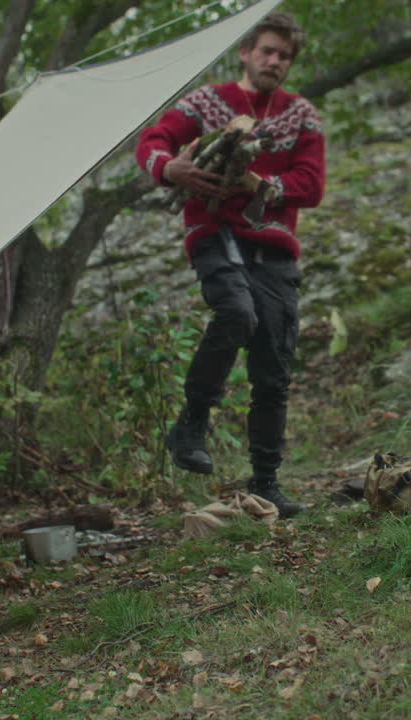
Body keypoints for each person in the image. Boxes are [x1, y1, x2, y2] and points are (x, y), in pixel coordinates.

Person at [134, 11, 324, 518]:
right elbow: (151, 140)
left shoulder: (302, 115)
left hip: (275, 246)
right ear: (245, 51)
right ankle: (191, 424)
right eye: (267, 51)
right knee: (237, 312)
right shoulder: (207, 101)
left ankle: (266, 483)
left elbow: (312, 185)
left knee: (273, 368)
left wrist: (260, 186)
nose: (275, 62)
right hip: (214, 231)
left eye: (284, 56)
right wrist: (170, 169)